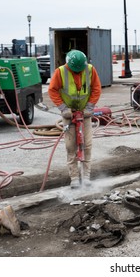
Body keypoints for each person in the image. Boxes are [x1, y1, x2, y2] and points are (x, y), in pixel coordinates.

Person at [48, 50, 102, 188]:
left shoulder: (90, 70)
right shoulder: (61, 72)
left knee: (87, 145)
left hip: (85, 114)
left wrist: (89, 108)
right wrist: (63, 109)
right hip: (68, 114)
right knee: (70, 146)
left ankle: (86, 177)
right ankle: (74, 178)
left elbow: (96, 88)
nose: (78, 72)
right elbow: (52, 90)